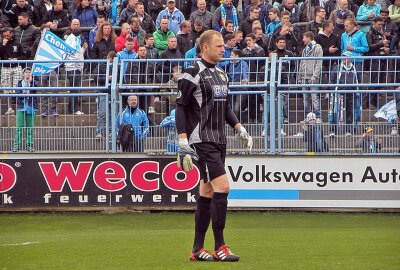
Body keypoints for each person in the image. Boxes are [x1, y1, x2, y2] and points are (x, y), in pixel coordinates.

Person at [176, 29, 253, 262]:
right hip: (202, 139)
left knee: (207, 191)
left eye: (223, 46)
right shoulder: (192, 74)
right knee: (223, 187)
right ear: (205, 47)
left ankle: (197, 249)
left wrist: (239, 128)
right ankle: (220, 246)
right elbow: (180, 107)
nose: (224, 48)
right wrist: (182, 140)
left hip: (220, 139)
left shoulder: (222, 73)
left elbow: (225, 106)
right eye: (219, 45)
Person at [298, 31, 323, 121]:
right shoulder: (305, 49)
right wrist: (300, 75)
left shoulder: (317, 48)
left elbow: (319, 62)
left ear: (308, 38)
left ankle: (318, 116)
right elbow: (302, 62)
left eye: (304, 37)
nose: (303, 39)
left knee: (314, 97)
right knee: (305, 98)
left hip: (312, 76)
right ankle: (307, 117)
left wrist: (315, 75)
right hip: (304, 76)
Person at [12, 67, 38, 153]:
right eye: (26, 72)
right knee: (19, 127)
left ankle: (30, 146)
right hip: (21, 107)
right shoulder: (19, 83)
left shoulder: (33, 83)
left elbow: (35, 91)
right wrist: (25, 94)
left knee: (30, 128)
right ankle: (16, 146)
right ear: (23, 74)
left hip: (30, 107)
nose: (27, 74)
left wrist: (30, 83)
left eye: (29, 72)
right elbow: (18, 94)